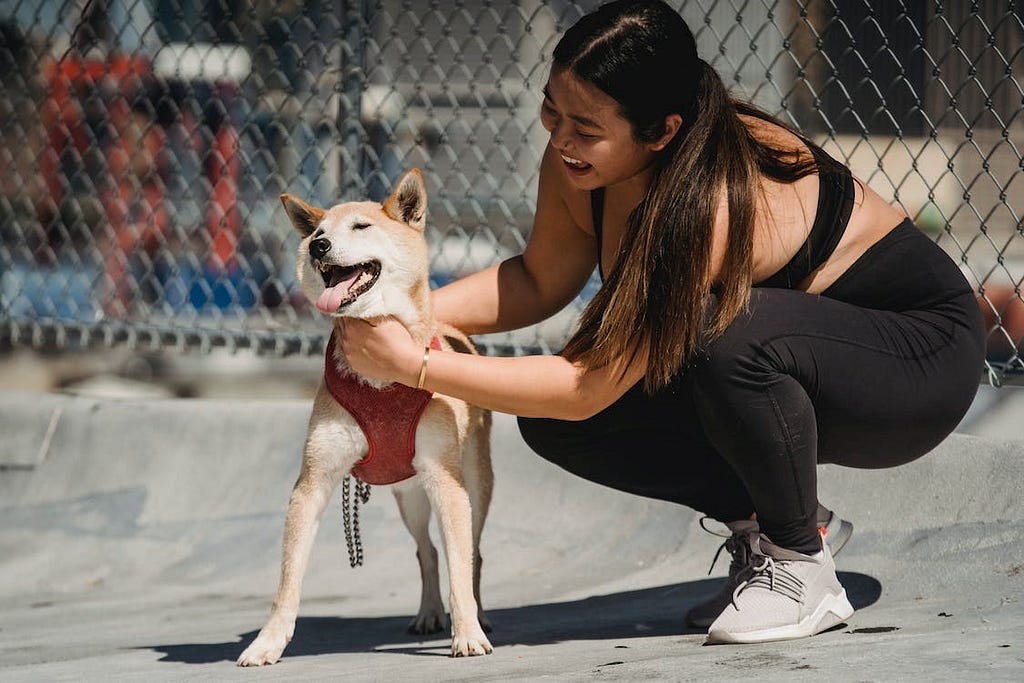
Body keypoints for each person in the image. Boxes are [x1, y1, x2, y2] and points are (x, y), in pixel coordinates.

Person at [335, 0, 985, 644]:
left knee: (724, 336)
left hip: (916, 362)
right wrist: (387, 312)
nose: (559, 136)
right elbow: (538, 279)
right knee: (556, 421)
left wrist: (410, 361)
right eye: (551, 109)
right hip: (805, 355)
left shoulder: (704, 202)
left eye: (584, 126)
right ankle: (779, 517)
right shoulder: (583, 158)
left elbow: (585, 383)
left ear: (661, 131)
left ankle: (800, 565)